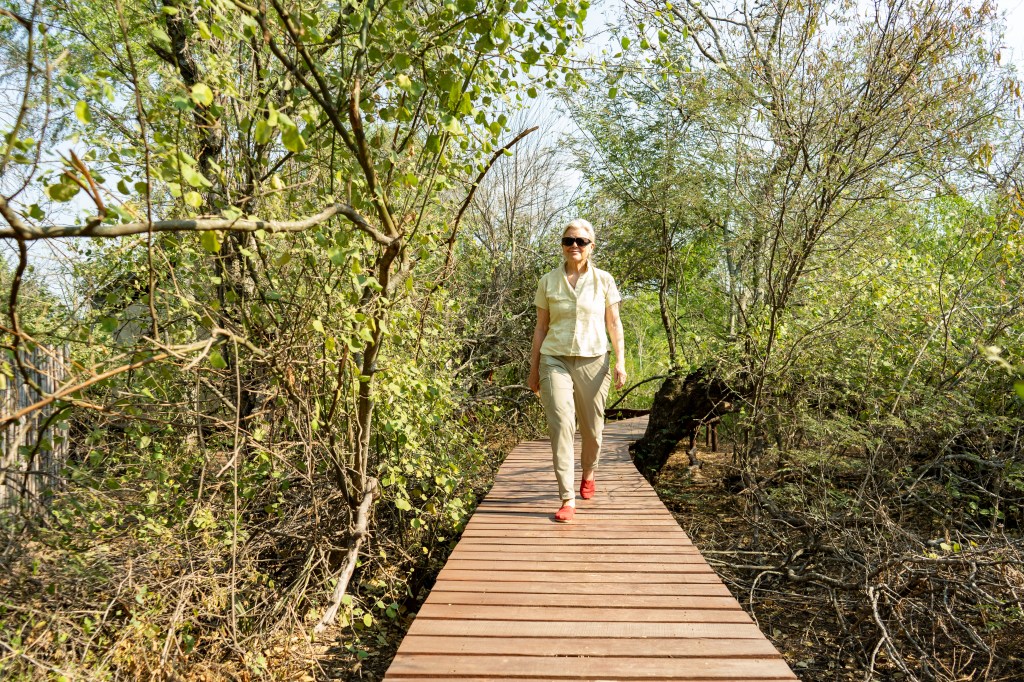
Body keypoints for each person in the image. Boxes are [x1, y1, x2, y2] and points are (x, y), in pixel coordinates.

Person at [528, 218, 627, 523]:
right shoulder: (548, 282)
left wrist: (620, 361)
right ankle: (566, 497)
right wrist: (533, 369)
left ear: (591, 247)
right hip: (554, 358)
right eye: (569, 240)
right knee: (561, 423)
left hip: (594, 360)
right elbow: (541, 328)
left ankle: (589, 472)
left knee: (593, 430)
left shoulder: (604, 281)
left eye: (581, 241)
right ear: (562, 244)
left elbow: (614, 324)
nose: (574, 246)